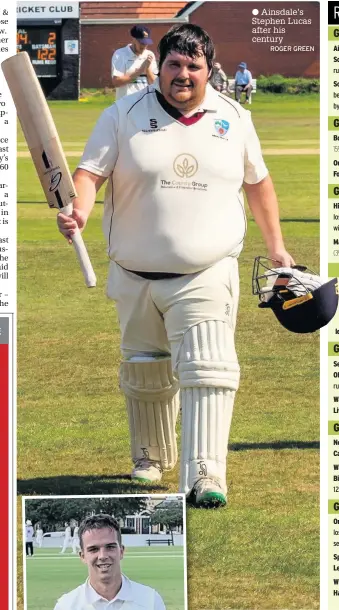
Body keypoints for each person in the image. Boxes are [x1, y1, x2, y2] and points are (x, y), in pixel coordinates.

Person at [57, 24, 295, 508]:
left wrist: (277, 247)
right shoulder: (121, 113)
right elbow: (89, 174)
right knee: (146, 370)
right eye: (173, 64)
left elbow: (258, 184)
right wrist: (78, 210)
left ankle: (206, 473)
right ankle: (150, 456)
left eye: (193, 66)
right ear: (158, 66)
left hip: (207, 269)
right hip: (134, 270)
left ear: (208, 70)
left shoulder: (234, 117)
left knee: (209, 367)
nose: (182, 74)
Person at [53, 514, 166, 609]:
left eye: (110, 547)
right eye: (93, 549)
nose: (102, 556)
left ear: (121, 551)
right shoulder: (66, 606)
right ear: (83, 556)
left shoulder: (150, 601)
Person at [111, 25, 158, 100]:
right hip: (126, 104)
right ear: (134, 39)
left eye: (146, 43)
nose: (144, 46)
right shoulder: (120, 54)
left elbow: (154, 84)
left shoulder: (150, 55)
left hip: (145, 103)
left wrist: (148, 69)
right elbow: (117, 82)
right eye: (141, 43)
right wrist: (140, 70)